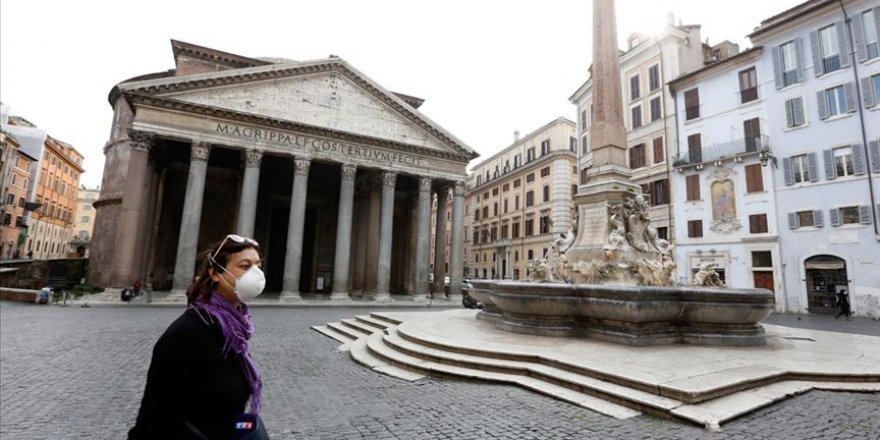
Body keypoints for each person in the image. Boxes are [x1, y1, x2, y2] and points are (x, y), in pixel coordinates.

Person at [128, 234, 265, 439]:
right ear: (215, 273)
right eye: (245, 266)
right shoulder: (188, 332)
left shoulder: (234, 330)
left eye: (258, 266)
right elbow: (154, 415)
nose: (256, 274)